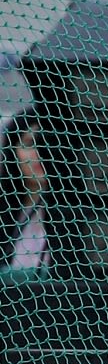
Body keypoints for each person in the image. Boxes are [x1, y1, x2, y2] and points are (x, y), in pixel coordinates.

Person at [0, 109, 46, 271]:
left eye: (46, 143)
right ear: (13, 151)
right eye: (30, 143)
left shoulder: (80, 215)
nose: (39, 152)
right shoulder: (4, 211)